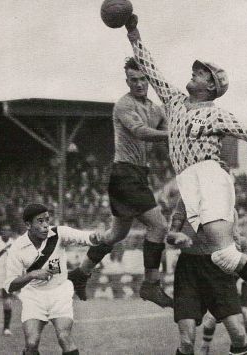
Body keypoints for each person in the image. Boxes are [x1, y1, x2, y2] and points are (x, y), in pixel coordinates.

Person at [123, 14, 247, 331]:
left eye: (201, 72)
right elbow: (150, 69)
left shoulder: (217, 114)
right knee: (222, 257)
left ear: (211, 85)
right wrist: (132, 31)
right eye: (195, 70)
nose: (194, 73)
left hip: (209, 177)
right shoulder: (175, 101)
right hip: (188, 182)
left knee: (225, 253)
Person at [69, 57, 173, 308]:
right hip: (125, 174)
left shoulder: (156, 109)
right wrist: (171, 134)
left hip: (136, 175)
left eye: (142, 79)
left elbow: (170, 134)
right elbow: (141, 132)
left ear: (149, 80)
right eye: (133, 79)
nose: (139, 84)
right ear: (126, 81)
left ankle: (80, 273)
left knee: (118, 233)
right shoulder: (123, 106)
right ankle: (151, 285)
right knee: (158, 227)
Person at [5, 204, 102, 355]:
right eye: (40, 221)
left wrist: (93, 237)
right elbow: (10, 285)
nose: (45, 226)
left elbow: (84, 237)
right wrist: (32, 274)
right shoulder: (17, 248)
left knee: (64, 338)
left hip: (59, 292)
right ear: (28, 225)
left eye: (47, 220)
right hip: (34, 296)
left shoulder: (58, 233)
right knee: (31, 343)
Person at [167, 197, 247, 355]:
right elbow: (170, 235)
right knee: (186, 342)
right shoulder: (186, 199)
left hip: (218, 268)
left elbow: (235, 240)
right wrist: (177, 237)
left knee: (239, 335)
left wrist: (237, 255)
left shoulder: (227, 204)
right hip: (188, 270)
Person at [200, 221, 247, 355]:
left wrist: (240, 282)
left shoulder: (243, 242)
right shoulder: (216, 242)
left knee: (246, 314)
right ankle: (204, 347)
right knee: (212, 316)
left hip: (239, 279)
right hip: (222, 282)